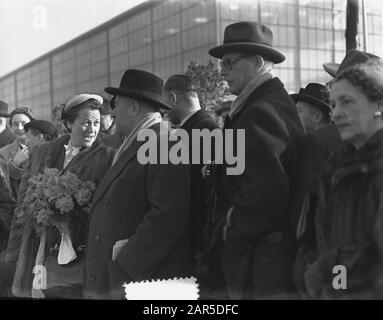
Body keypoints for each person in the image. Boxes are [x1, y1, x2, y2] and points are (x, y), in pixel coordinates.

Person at [204, 21, 305, 299]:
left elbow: (267, 191)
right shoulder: (262, 103)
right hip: (258, 252)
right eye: (221, 64)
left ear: (258, 62)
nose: (222, 72)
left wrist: (229, 230)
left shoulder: (262, 110)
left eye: (229, 63)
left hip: (260, 258)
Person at [83, 69, 192, 299]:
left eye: (117, 103)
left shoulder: (165, 142)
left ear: (133, 107)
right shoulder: (139, 141)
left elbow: (168, 215)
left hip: (133, 281)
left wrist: (127, 264)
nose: (113, 111)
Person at [10, 94, 114, 299]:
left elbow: (108, 209)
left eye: (96, 123)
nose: (92, 130)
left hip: (78, 250)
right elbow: (23, 203)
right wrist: (14, 248)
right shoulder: (42, 152)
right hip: (36, 245)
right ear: (68, 123)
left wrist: (69, 209)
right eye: (85, 123)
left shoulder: (107, 157)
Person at [305, 58, 383, 299]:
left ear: (378, 105)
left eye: (347, 102)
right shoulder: (339, 163)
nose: (336, 112)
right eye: (334, 103)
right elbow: (333, 249)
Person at [163, 74, 219, 275]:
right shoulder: (199, 128)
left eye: (164, 102)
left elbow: (204, 191)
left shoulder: (202, 130)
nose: (164, 110)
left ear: (172, 97)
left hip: (196, 240)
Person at [290, 84, 341, 294]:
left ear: (317, 116)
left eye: (299, 112)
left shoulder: (314, 142)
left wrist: (300, 247)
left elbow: (306, 202)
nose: (295, 117)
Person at [6, 120, 59, 200]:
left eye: (28, 136)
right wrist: (15, 164)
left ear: (40, 138)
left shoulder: (45, 161)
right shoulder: (35, 157)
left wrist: (16, 163)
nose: (26, 142)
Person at [0, 107, 34, 195]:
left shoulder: (45, 148)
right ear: (10, 126)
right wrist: (15, 163)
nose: (19, 127)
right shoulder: (2, 153)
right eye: (15, 124)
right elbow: (3, 187)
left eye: (24, 123)